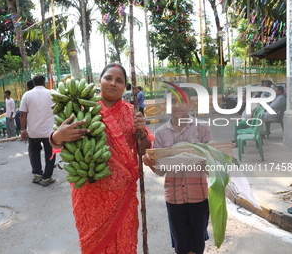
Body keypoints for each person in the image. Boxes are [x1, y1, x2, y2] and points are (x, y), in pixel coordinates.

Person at [49, 63, 153, 253]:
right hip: (89, 192)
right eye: (108, 78)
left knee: (125, 242)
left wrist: (142, 133)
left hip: (123, 195)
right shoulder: (81, 108)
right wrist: (58, 136)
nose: (113, 83)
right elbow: (57, 143)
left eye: (119, 80)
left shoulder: (132, 113)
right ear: (99, 81)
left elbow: (143, 151)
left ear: (125, 87)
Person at [143, 87, 212, 254]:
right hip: (174, 199)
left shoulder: (202, 129)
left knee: (198, 245)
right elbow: (161, 171)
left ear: (191, 104)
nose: (177, 105)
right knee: (182, 247)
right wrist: (150, 163)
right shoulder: (160, 133)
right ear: (166, 104)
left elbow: (210, 167)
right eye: (173, 101)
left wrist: (219, 157)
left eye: (182, 100)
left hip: (199, 196)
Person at [19, 75, 56, 186]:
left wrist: (22, 130)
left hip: (33, 131)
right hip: (49, 131)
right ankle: (47, 177)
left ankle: (37, 174)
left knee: (34, 152)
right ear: (44, 82)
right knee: (50, 153)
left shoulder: (27, 95)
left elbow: (22, 114)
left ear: (33, 83)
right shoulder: (52, 94)